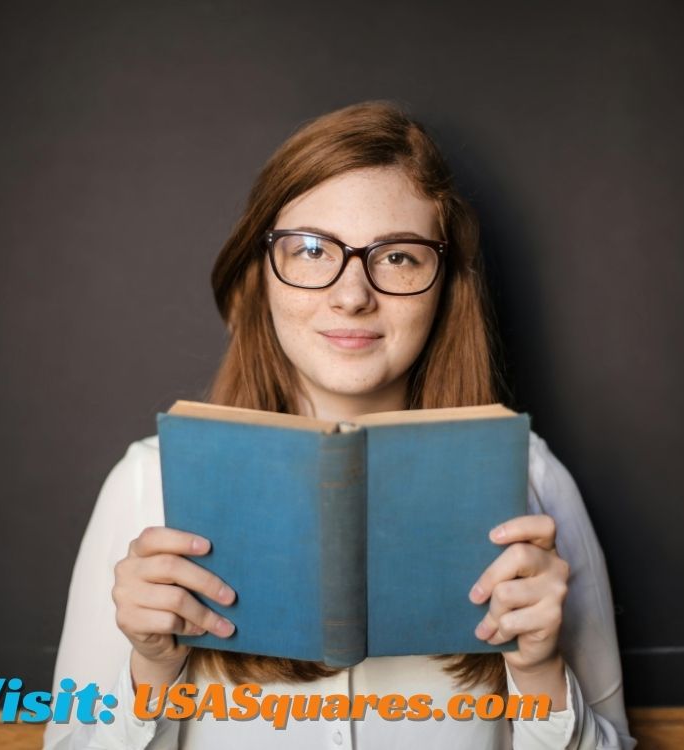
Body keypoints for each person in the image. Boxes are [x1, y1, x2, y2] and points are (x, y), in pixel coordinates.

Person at [45, 101, 635, 749]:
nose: (352, 293)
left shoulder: (535, 483)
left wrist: (540, 672)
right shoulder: (145, 487)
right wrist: (152, 669)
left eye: (399, 257)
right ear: (260, 272)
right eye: (310, 250)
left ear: (446, 284)